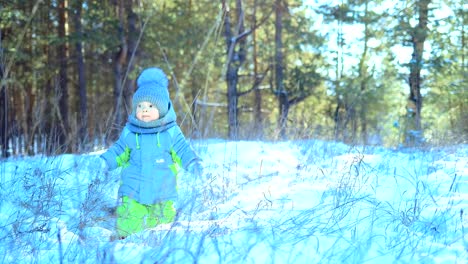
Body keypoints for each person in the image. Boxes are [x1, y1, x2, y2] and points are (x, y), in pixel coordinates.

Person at [100, 67, 201, 238]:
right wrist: (104, 162)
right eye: (140, 106)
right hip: (132, 190)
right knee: (129, 218)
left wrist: (192, 162)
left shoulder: (171, 132)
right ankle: (123, 241)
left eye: (150, 105)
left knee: (161, 224)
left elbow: (182, 150)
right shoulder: (130, 131)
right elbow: (118, 151)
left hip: (163, 191)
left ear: (162, 108)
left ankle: (159, 246)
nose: (144, 109)